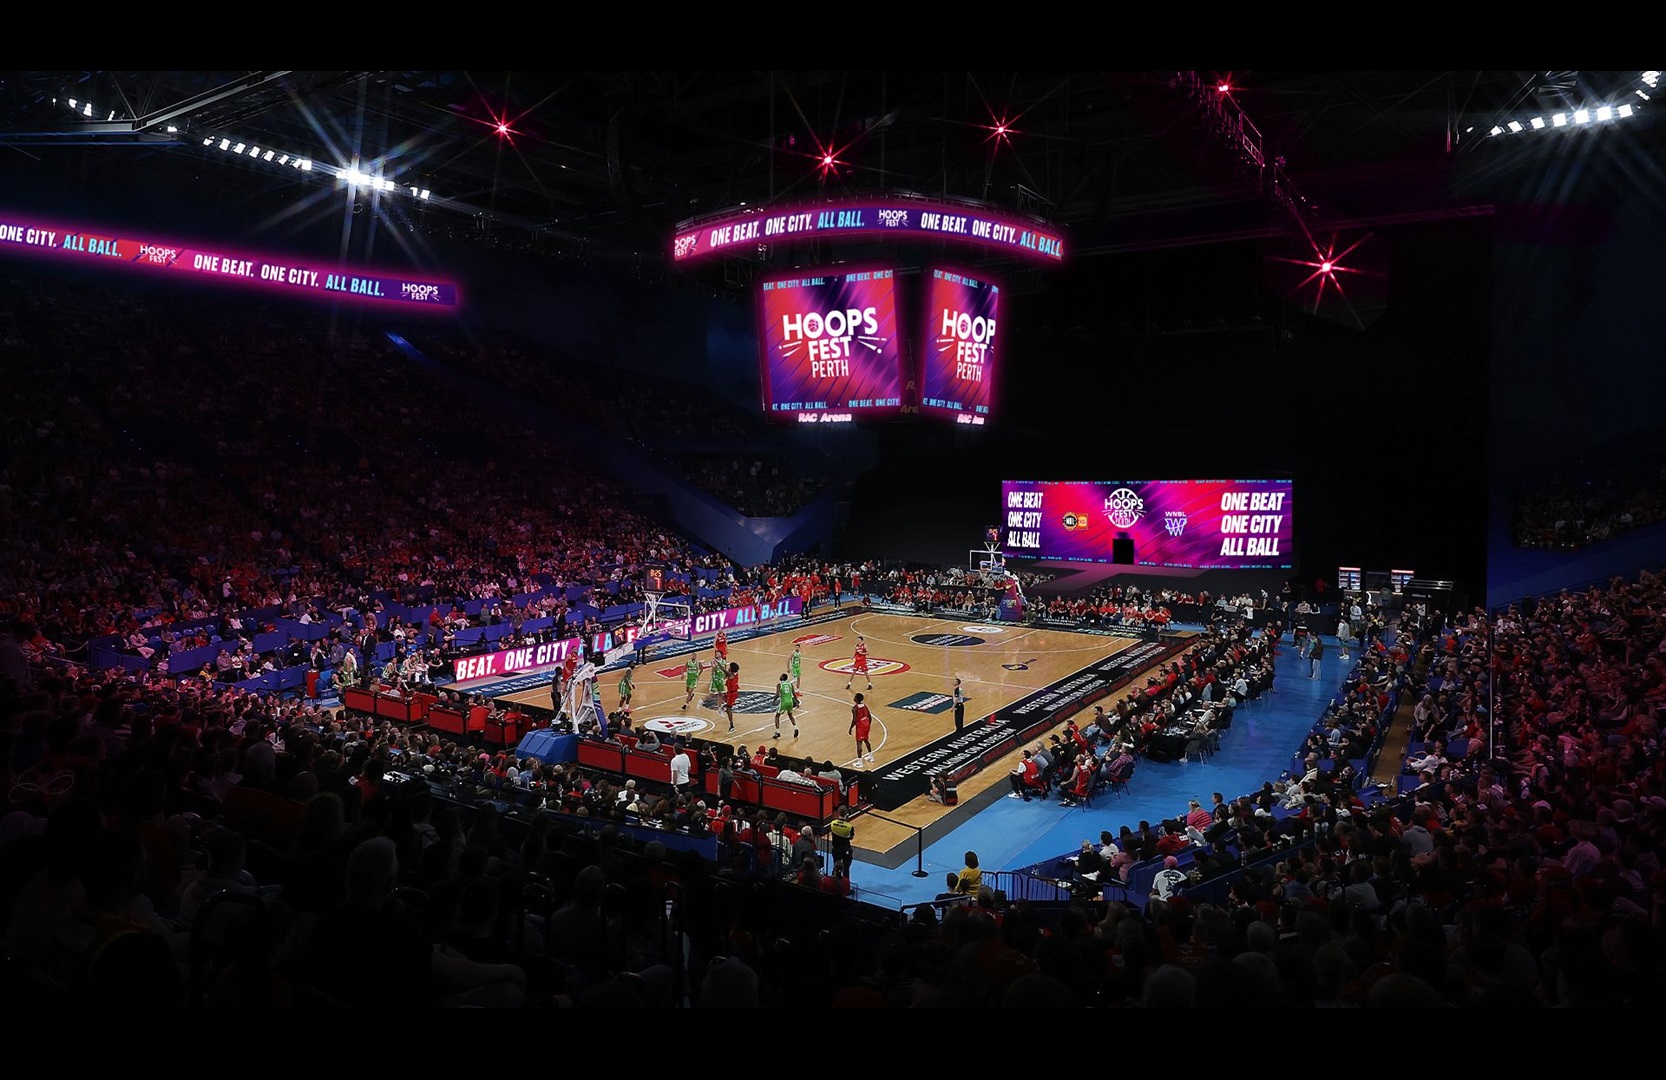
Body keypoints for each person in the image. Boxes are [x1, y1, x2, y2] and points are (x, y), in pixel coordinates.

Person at [849, 692, 874, 765]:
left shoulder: (854, 708)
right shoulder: (865, 706)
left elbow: (855, 719)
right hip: (866, 724)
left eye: (855, 697)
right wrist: (868, 724)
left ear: (856, 699)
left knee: (859, 743)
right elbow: (870, 716)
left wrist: (850, 728)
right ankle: (871, 756)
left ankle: (859, 762)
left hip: (860, 726)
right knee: (866, 740)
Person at [773, 671, 798, 739]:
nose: (780, 676)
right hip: (790, 702)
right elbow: (794, 693)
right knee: (790, 715)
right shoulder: (790, 684)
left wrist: (774, 700)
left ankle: (778, 732)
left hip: (784, 702)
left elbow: (777, 694)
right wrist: (796, 700)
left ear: (782, 678)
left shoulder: (779, 685)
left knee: (777, 716)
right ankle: (796, 728)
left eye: (781, 676)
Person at [724, 662, 741, 733]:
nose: (728, 667)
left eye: (729, 667)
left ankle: (732, 726)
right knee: (721, 695)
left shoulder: (732, 675)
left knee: (729, 709)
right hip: (731, 692)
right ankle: (722, 707)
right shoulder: (734, 674)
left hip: (732, 694)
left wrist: (718, 664)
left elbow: (724, 671)